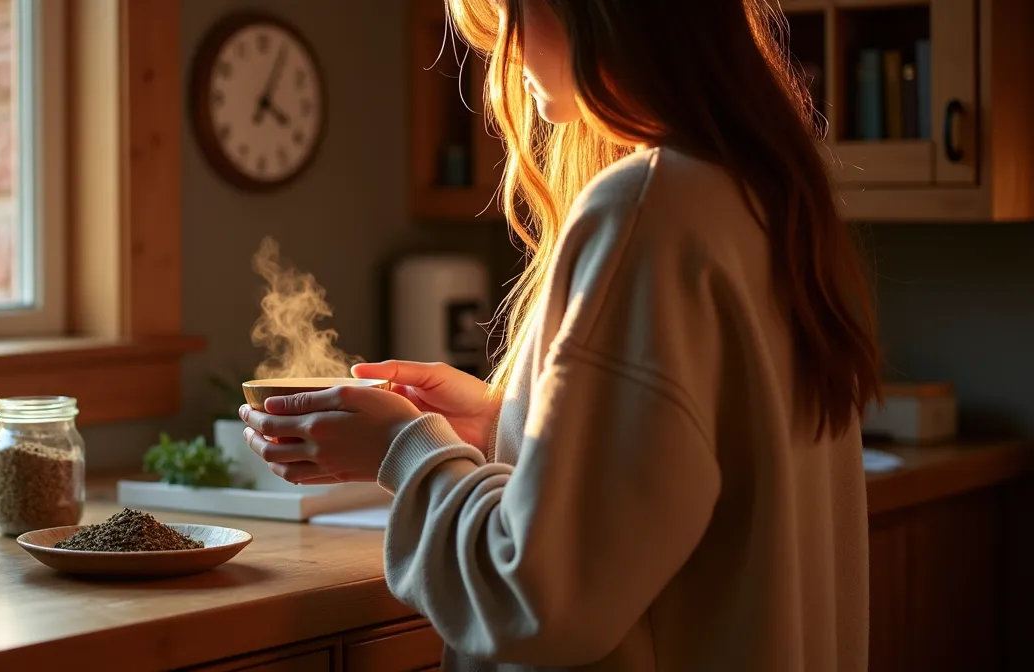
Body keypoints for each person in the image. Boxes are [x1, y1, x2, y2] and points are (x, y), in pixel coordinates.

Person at [239, 0, 882, 669]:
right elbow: (666, 485)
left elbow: (536, 601)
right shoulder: (763, 199)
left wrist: (402, 449)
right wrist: (504, 428)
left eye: (513, 13)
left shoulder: (648, 210)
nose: (504, 57)